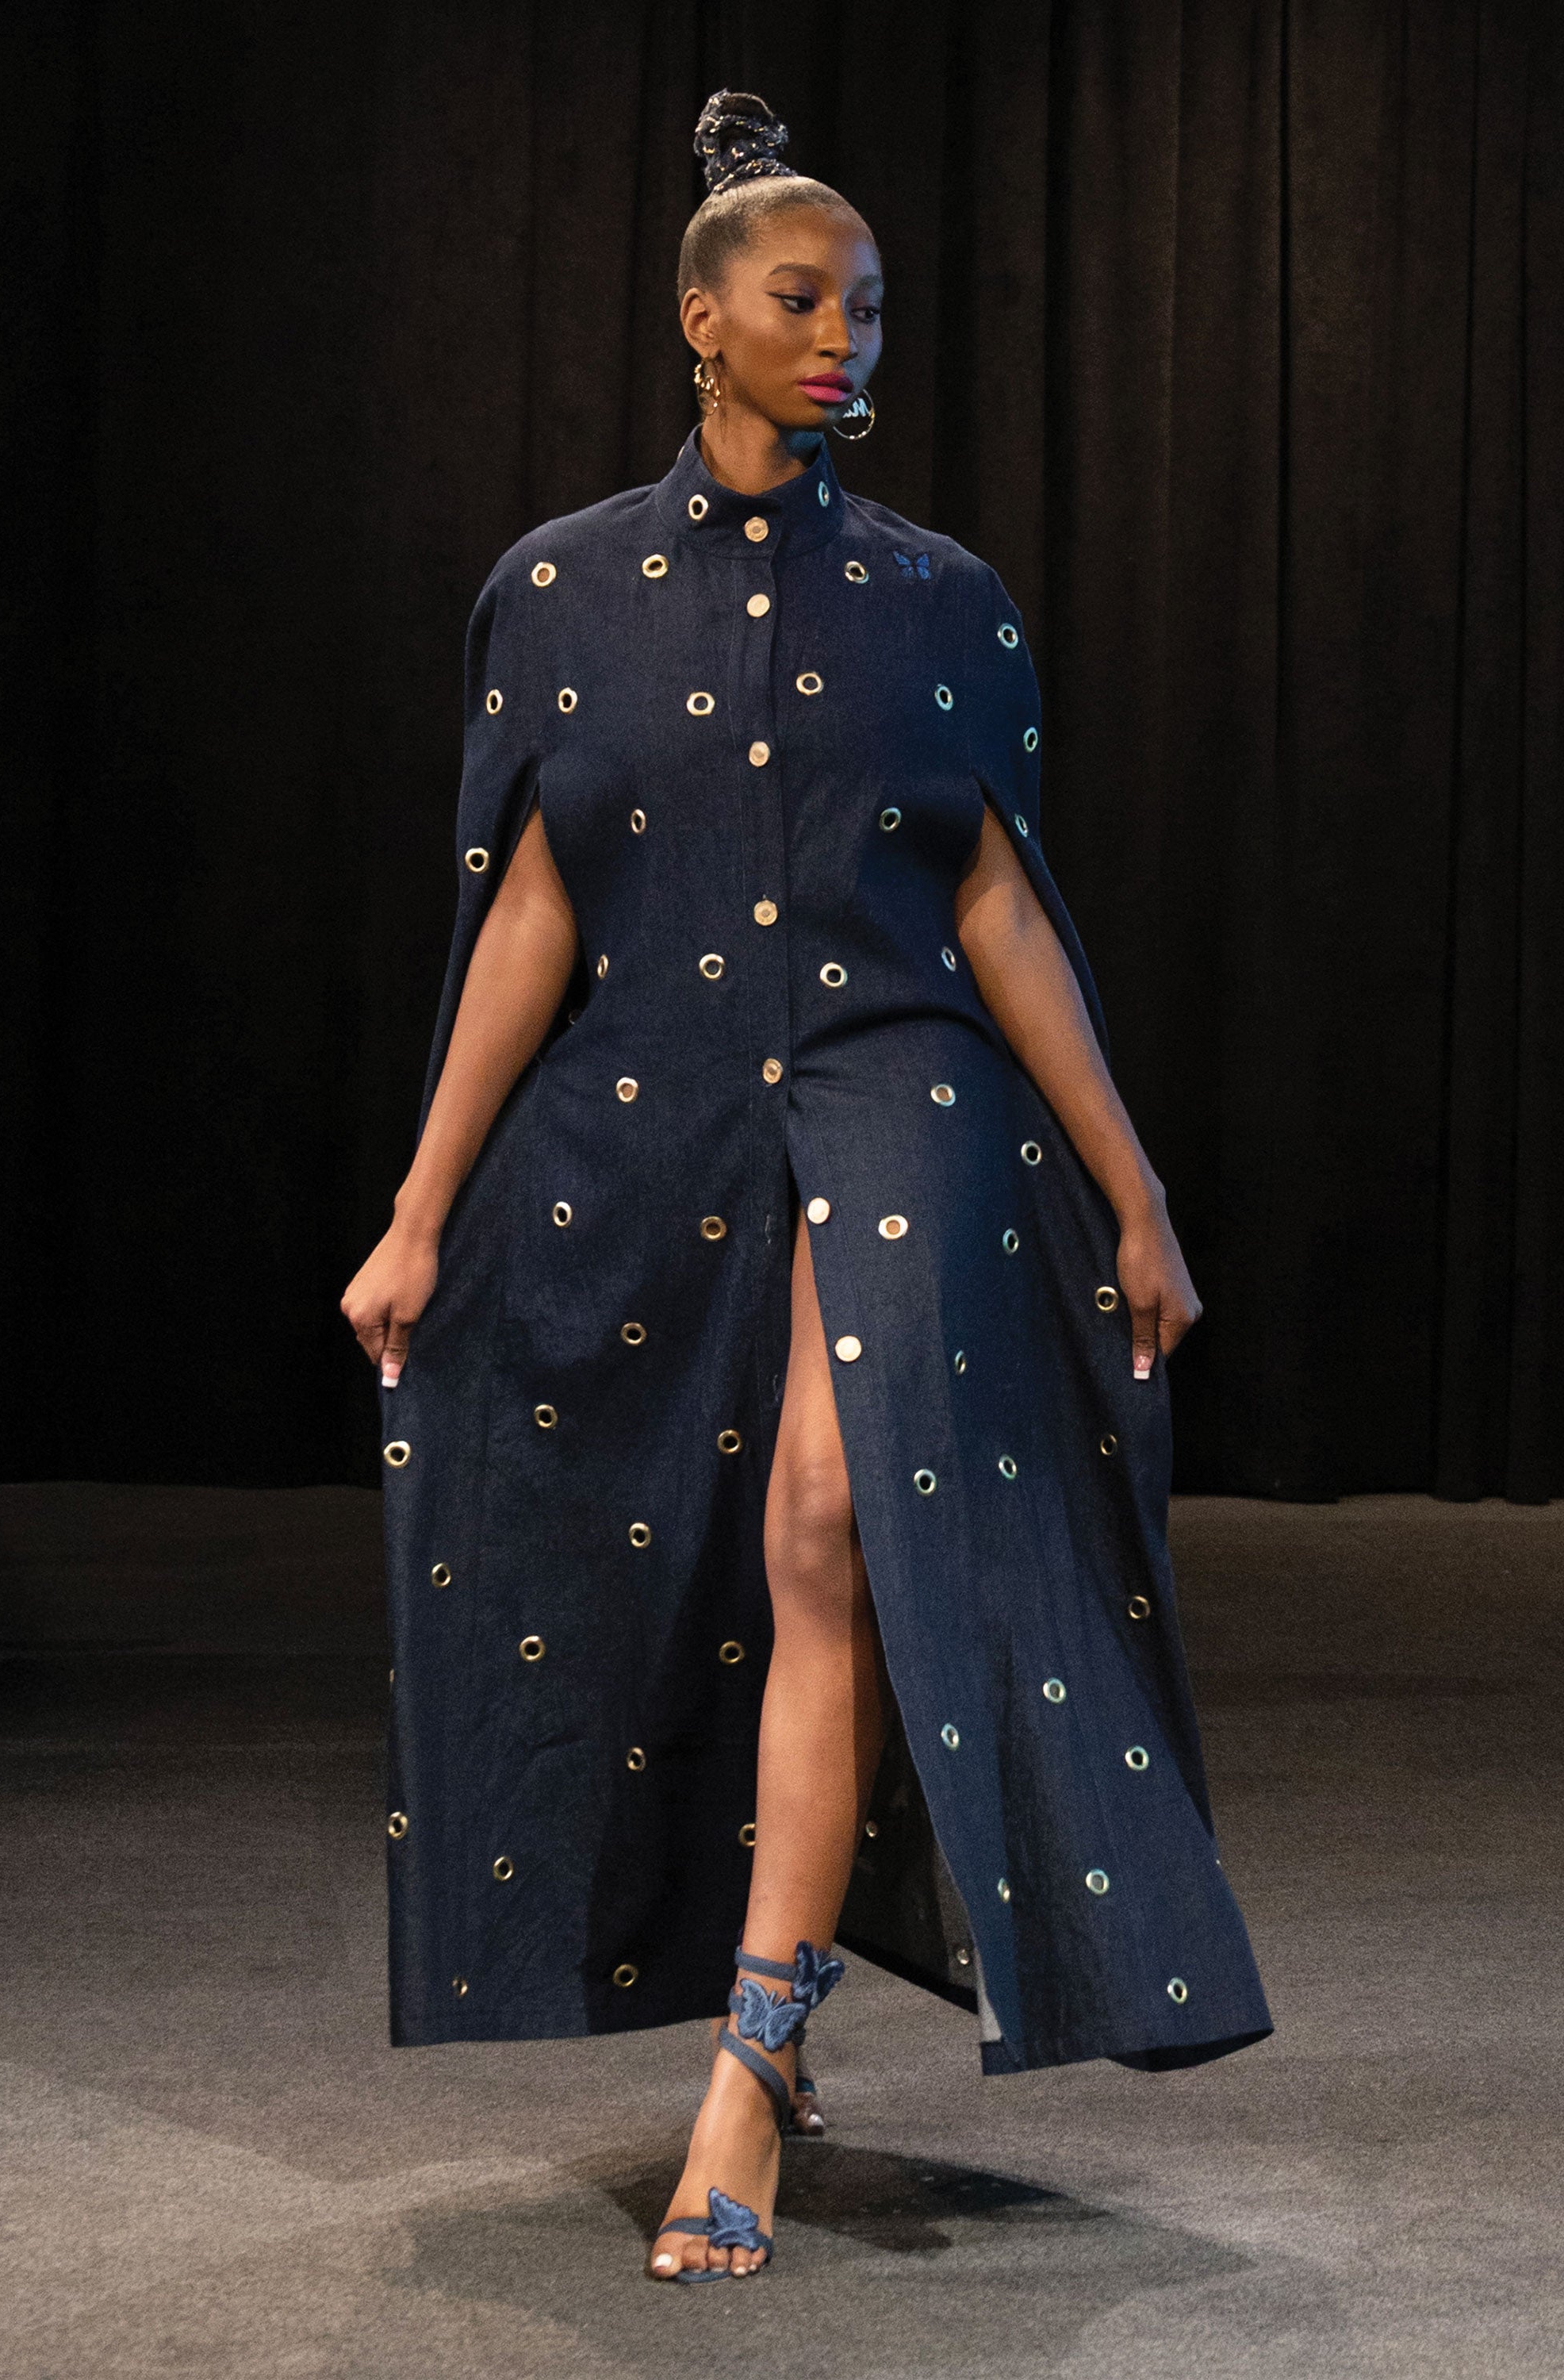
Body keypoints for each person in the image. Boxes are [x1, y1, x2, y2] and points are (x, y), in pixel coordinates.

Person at [341, 89, 1272, 2286]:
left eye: (868, 306)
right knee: (666, 1576)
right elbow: (536, 912)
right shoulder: (558, 588)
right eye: (802, 299)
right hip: (647, 1123)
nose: (846, 335)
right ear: (702, 320)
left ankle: (753, 2064)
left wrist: (1133, 1194)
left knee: (830, 1529)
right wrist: (416, 1203)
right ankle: (750, 1973)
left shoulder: (944, 604)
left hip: (898, 1100)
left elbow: (1004, 917)